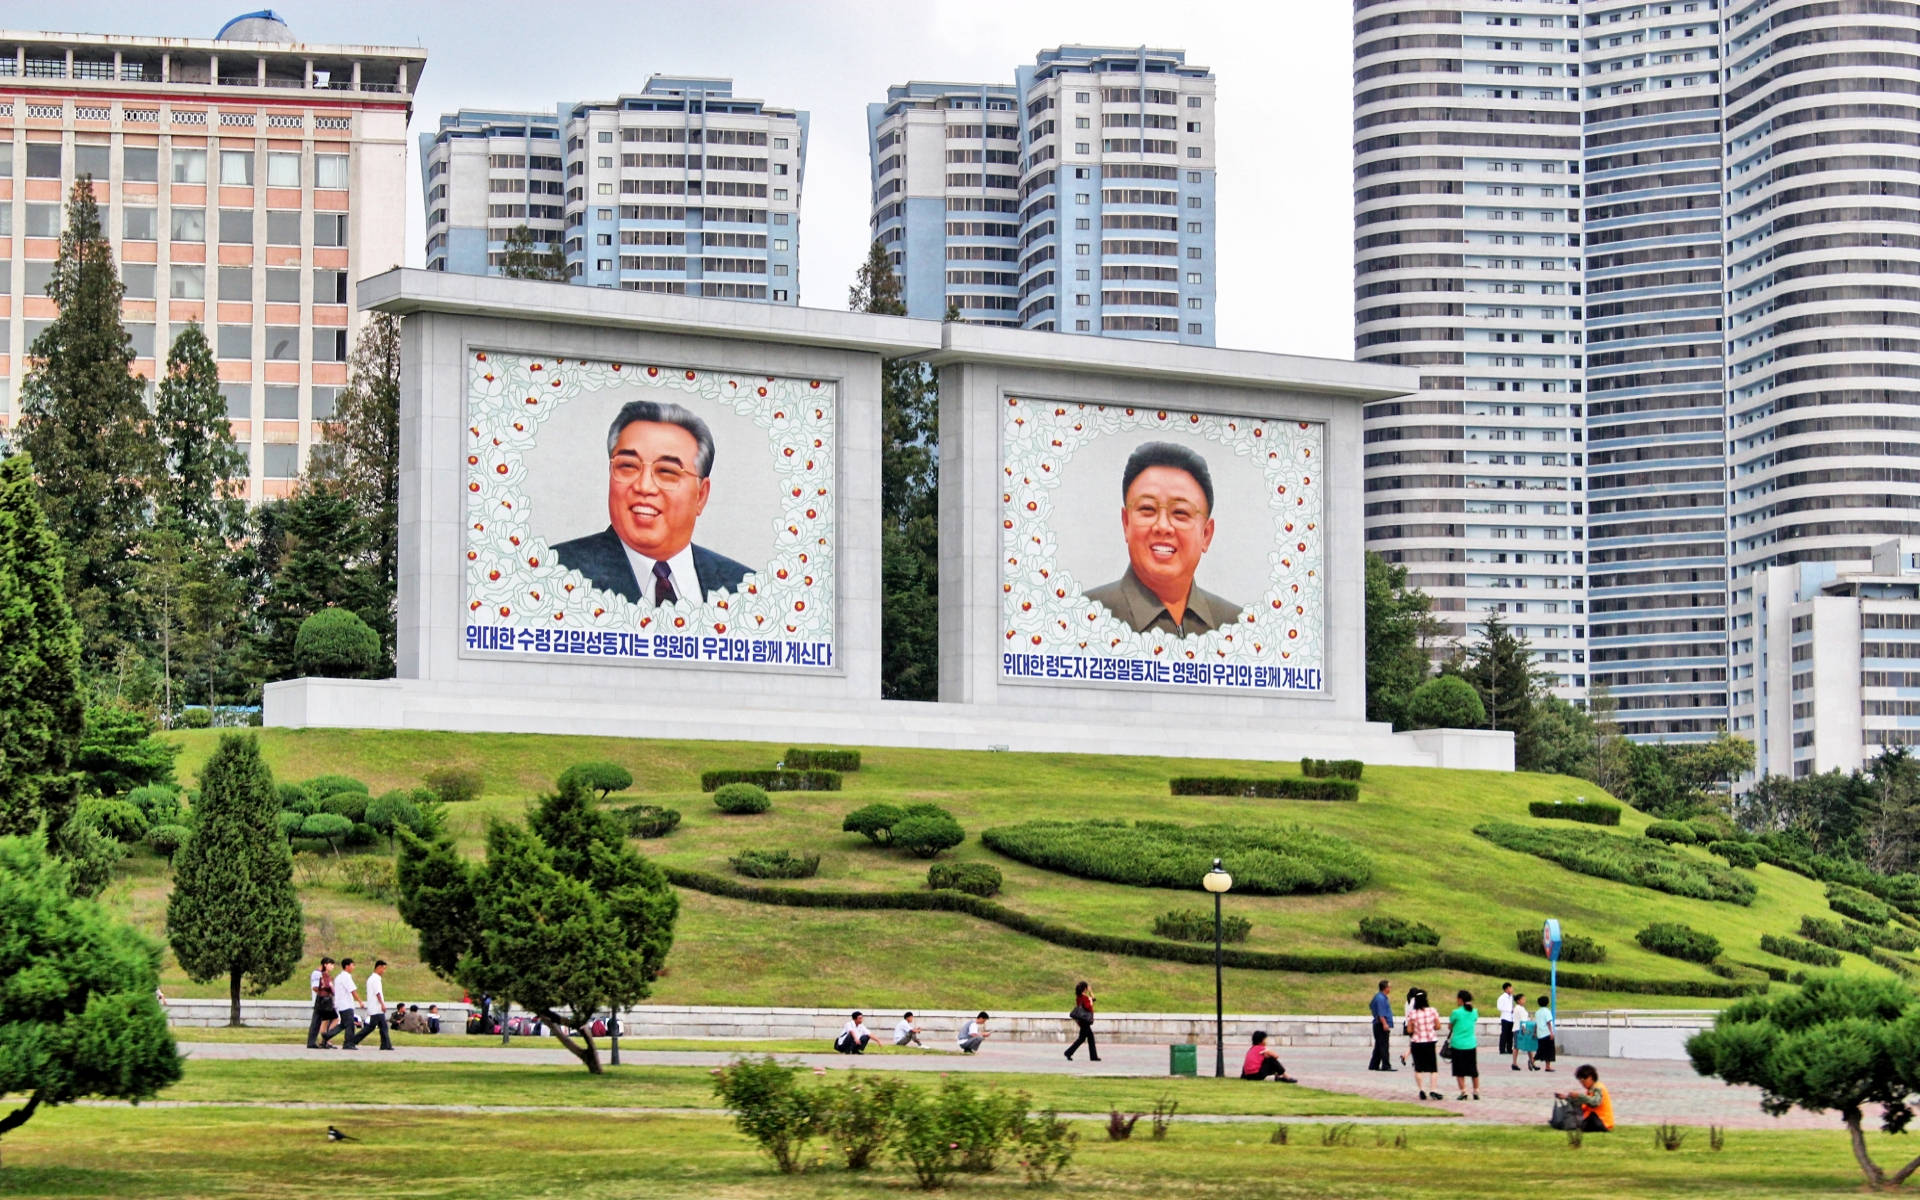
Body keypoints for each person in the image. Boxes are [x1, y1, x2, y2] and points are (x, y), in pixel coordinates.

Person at [550, 400, 751, 605]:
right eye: (628, 466)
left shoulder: (745, 588)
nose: (644, 487)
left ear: (701, 495)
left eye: (666, 471)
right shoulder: (553, 573)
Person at [1084, 441, 1242, 635]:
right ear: (1126, 523)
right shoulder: (1084, 617)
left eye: (1181, 513)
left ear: (1206, 535)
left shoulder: (1237, 626)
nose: (1163, 527)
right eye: (1147, 509)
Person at [1405, 988, 1443, 1100]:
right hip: (1430, 1041)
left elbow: (1409, 1030)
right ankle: (1433, 1089)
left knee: (1418, 1068)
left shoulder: (1412, 1014)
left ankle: (1421, 1090)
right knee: (1433, 1068)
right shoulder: (1432, 1011)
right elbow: (1438, 1026)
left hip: (1417, 1042)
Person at [347, 960, 394, 1051]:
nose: (384, 971)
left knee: (383, 1026)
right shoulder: (375, 979)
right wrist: (382, 1004)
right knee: (371, 1027)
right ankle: (352, 1041)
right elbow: (378, 993)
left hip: (375, 1007)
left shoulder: (372, 978)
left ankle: (386, 1044)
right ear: (378, 967)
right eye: (383, 969)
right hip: (376, 1008)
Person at [1555, 1064, 1615, 1132]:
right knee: (1569, 1121)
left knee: (1571, 1123)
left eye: (1583, 1081)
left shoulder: (1599, 1088)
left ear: (1590, 1077)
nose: (1582, 1084)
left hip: (1601, 1122)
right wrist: (1567, 1098)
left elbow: (1595, 1102)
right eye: (1580, 1082)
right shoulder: (1591, 1089)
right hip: (1596, 1121)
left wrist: (1579, 1096)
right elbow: (1584, 1104)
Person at [1447, 989, 1481, 1100]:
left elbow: (1450, 1026)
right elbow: (1474, 1020)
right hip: (1471, 1043)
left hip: (1458, 1044)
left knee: (1459, 1070)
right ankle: (1476, 1091)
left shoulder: (1456, 1012)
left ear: (1460, 1000)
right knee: (1473, 1070)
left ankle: (1463, 1092)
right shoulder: (1474, 1011)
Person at [319, 958, 359, 1049]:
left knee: (343, 1025)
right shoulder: (346, 976)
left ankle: (327, 1036)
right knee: (350, 1025)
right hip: (346, 1005)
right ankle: (348, 1044)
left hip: (341, 1005)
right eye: (352, 965)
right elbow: (352, 990)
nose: (353, 967)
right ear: (347, 966)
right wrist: (360, 1001)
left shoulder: (339, 977)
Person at [305, 955, 336, 1050]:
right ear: (325, 964)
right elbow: (315, 987)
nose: (332, 967)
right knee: (317, 1021)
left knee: (326, 1020)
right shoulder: (317, 973)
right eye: (331, 964)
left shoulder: (324, 974)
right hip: (321, 1000)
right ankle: (312, 1042)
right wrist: (324, 994)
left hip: (325, 1000)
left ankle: (323, 1041)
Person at [1065, 981, 1101, 1063]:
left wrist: (1090, 993)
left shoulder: (1079, 997)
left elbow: (1093, 999)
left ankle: (1093, 1056)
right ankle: (1068, 1052)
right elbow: (1088, 1007)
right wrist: (1090, 998)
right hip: (1085, 1021)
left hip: (1082, 1021)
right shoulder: (1084, 998)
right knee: (1083, 1039)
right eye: (1087, 988)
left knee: (1086, 1038)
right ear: (1085, 988)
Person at [1367, 980, 1396, 1072]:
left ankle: (1373, 1065)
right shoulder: (1381, 998)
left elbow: (1371, 1006)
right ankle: (1386, 1065)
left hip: (1378, 1024)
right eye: (1389, 987)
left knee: (1379, 1045)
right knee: (1384, 1045)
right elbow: (1381, 1013)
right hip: (1381, 1024)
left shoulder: (1378, 997)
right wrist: (1385, 1023)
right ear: (1385, 988)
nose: (1390, 988)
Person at [1512, 993, 1537, 1071]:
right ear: (1519, 1000)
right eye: (1523, 999)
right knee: (1519, 1046)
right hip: (1521, 1029)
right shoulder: (1520, 1009)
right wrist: (1524, 1031)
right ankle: (1516, 1063)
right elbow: (1523, 1021)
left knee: (1519, 1046)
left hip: (1518, 1028)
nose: (1524, 1000)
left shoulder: (1518, 1008)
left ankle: (1531, 1062)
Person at [1535, 995, 1557, 1072]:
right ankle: (1548, 1066)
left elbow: (1536, 1023)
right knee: (1549, 1051)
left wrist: (1535, 1032)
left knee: (1540, 1049)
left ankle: (1532, 1060)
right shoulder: (1547, 1011)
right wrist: (1551, 1032)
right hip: (1546, 1033)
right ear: (1547, 1003)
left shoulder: (1537, 1012)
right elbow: (1548, 1022)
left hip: (1540, 1033)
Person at [1496, 982, 1516, 1062]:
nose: (1512, 989)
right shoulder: (1502, 997)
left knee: (1510, 1034)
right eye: (1511, 988)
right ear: (1507, 989)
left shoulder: (1511, 997)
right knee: (1504, 1033)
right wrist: (1509, 1010)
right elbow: (1499, 1007)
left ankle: (1509, 1048)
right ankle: (1502, 1049)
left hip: (1511, 1018)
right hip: (1505, 1017)